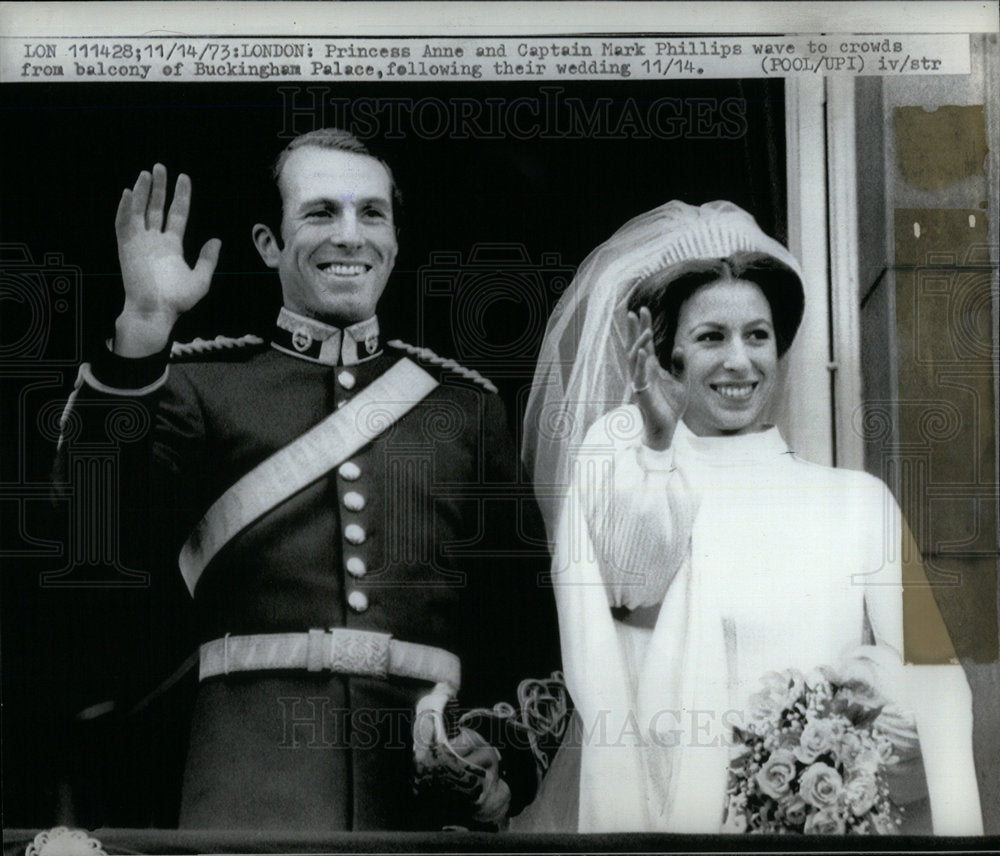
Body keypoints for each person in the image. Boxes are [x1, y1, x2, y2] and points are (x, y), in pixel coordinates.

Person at [54, 128, 562, 831]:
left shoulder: (464, 410)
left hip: (424, 803)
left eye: (371, 214)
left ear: (394, 239)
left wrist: (496, 759)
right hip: (247, 791)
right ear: (268, 243)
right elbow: (90, 528)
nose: (350, 235)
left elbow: (527, 625)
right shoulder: (202, 388)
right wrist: (142, 329)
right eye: (321, 213)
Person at [522, 200, 983, 834]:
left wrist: (877, 700)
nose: (739, 361)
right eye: (711, 336)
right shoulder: (629, 488)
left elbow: (938, 676)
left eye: (757, 335)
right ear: (666, 356)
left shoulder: (858, 500)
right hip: (672, 838)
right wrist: (654, 444)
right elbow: (624, 599)